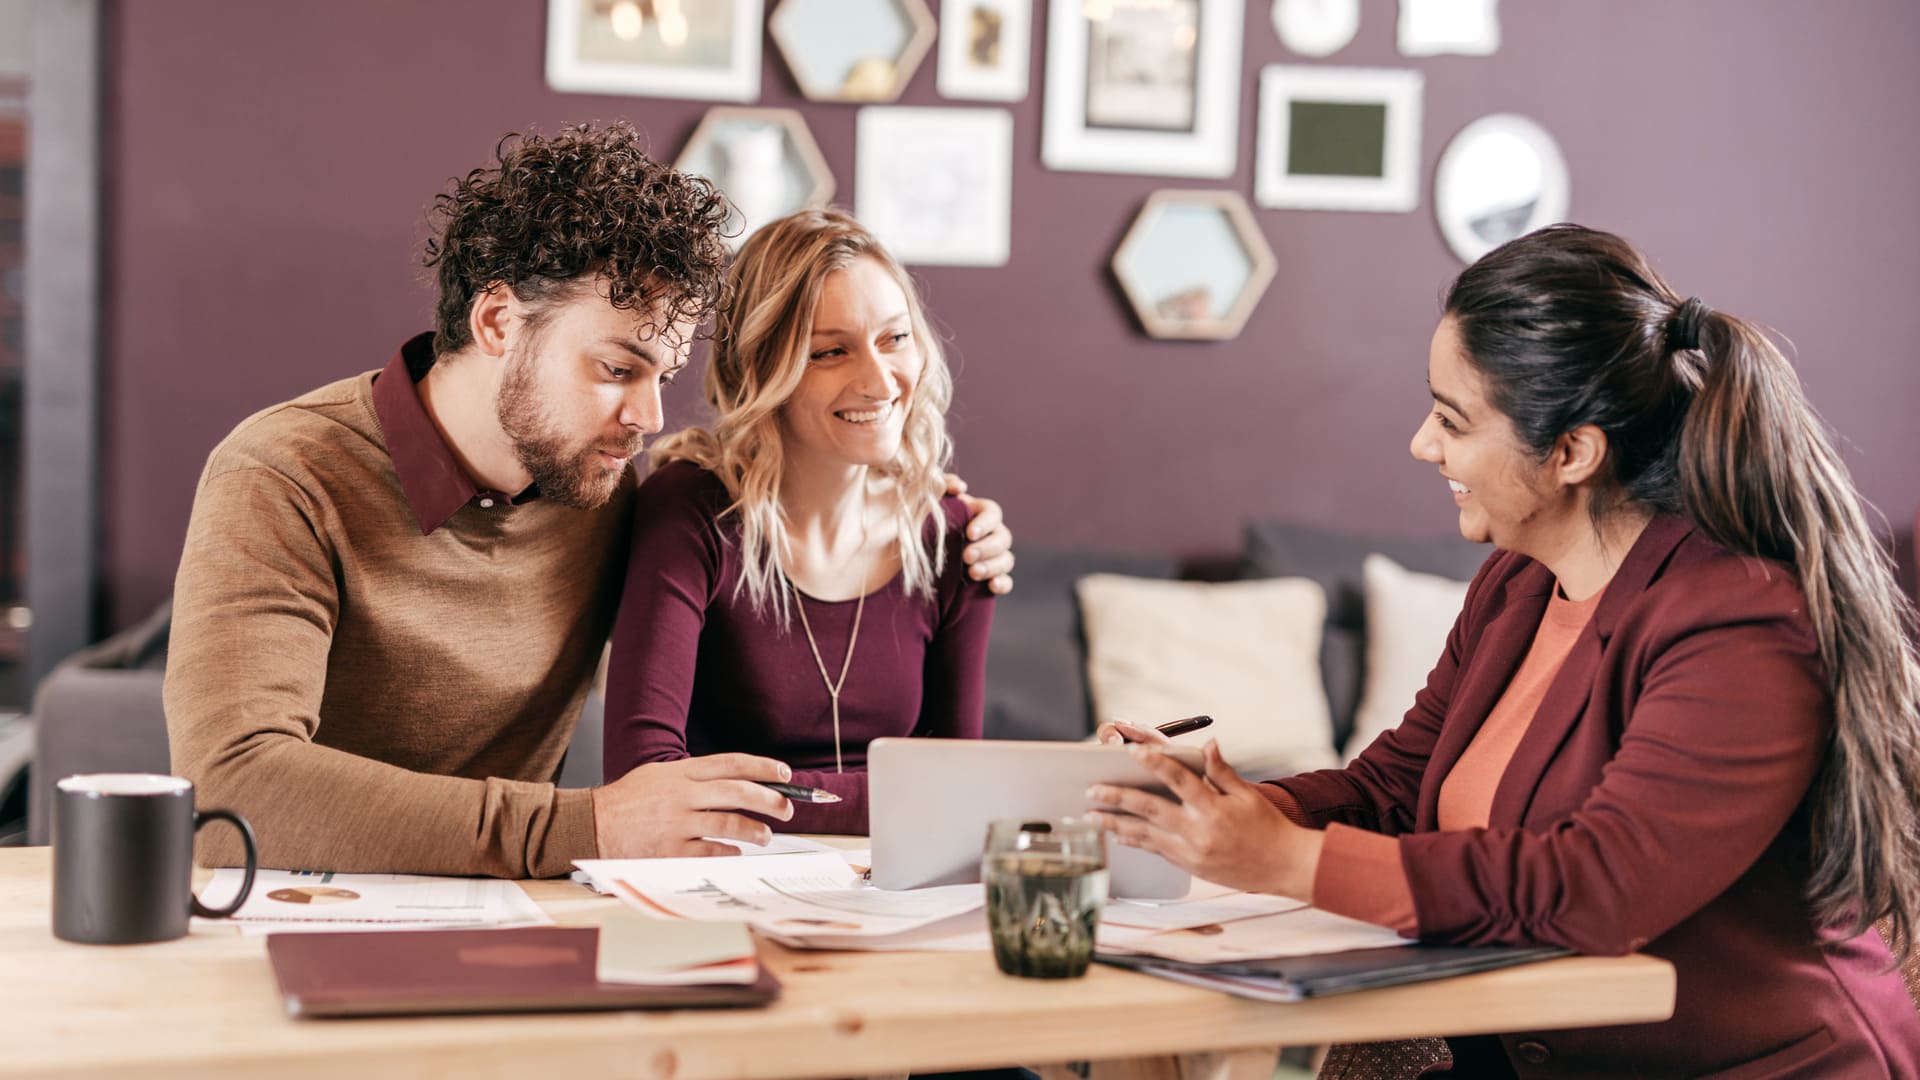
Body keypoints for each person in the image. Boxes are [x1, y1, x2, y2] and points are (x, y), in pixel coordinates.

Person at [1087, 225, 1920, 1075]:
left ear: (1571, 452)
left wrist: (1289, 860)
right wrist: (1216, 810)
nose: (1423, 443)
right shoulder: (1515, 586)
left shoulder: (1741, 625)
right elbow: (1395, 788)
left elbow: (1601, 887)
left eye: (1454, 419)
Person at [163, 124, 1015, 879]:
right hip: (290, 906)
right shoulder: (282, 474)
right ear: (498, 322)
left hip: (515, 916)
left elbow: (772, 526)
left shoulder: (601, 488)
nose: (647, 419)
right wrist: (589, 824)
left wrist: (932, 513)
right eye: (617, 370)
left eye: (663, 377)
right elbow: (234, 783)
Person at [601, 209, 995, 833]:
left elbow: (960, 792)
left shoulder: (954, 536)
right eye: (831, 352)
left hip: (894, 893)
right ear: (761, 369)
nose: (878, 380)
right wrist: (899, 796)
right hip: (723, 879)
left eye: (895, 338)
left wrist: (749, 792)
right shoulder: (692, 511)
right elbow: (643, 782)